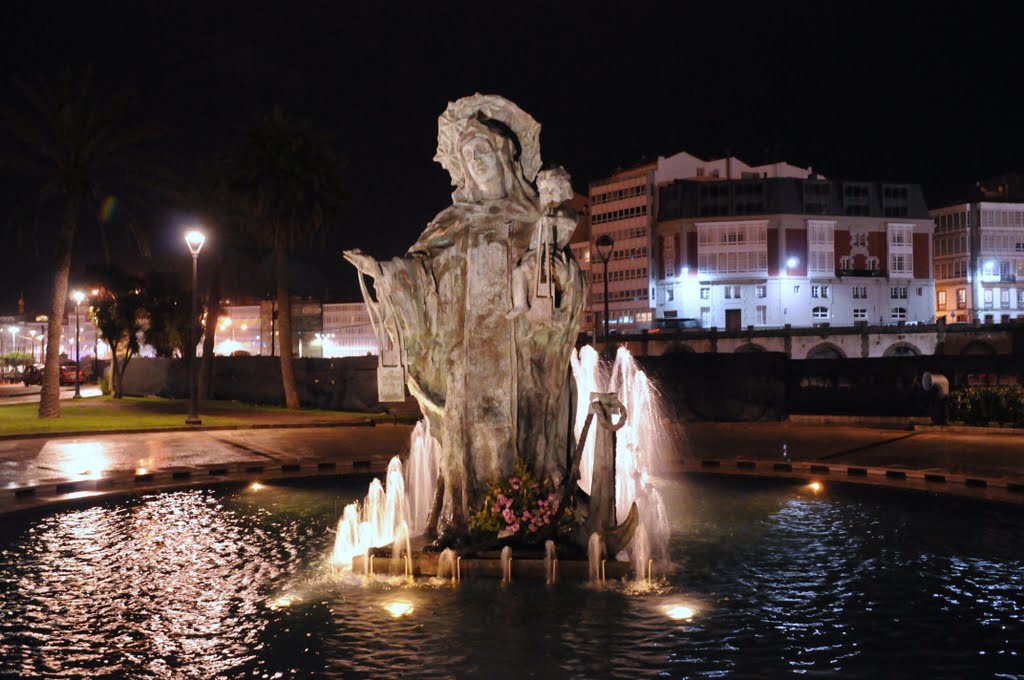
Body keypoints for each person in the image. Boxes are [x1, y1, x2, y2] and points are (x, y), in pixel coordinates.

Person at [344, 95, 585, 544]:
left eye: (483, 152)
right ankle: (470, 520)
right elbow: (418, 273)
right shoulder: (450, 222)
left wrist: (549, 271)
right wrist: (384, 273)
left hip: (520, 358)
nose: (476, 162)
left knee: (521, 433)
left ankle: (527, 513)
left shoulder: (536, 217)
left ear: (503, 156)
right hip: (466, 361)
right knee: (468, 439)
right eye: (468, 156)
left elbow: (563, 280)